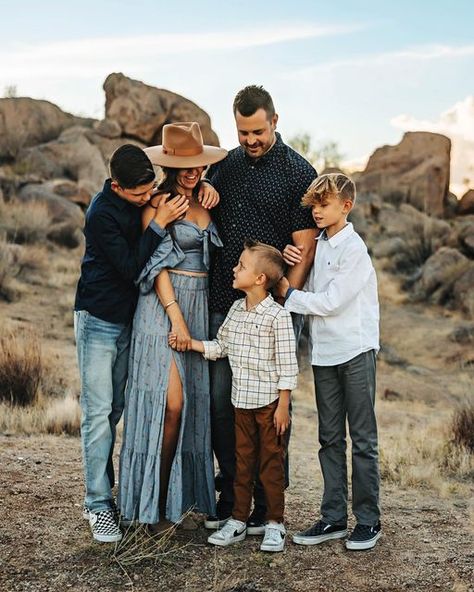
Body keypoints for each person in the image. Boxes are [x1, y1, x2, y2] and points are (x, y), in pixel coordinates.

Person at [205, 85, 317, 531]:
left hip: (272, 313)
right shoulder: (227, 165)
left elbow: (303, 250)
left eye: (256, 130)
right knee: (221, 404)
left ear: (274, 120)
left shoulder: (297, 172)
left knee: (271, 413)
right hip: (222, 303)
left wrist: (282, 301)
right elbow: (205, 201)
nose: (249, 139)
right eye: (242, 131)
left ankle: (268, 507)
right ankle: (234, 492)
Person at [74, 144, 191, 543]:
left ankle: (112, 496)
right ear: (117, 186)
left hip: (128, 323)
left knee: (116, 410)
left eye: (150, 190)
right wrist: (157, 223)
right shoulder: (101, 214)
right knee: (97, 412)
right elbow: (130, 268)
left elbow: (167, 197)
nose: (147, 198)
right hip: (98, 319)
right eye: (139, 194)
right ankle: (97, 504)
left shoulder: (142, 196)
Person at [118, 122, 227, 531]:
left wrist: (211, 195)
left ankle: (173, 503)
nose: (191, 171)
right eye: (182, 165)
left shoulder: (208, 200)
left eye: (197, 165)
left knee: (188, 410)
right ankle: (152, 505)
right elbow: (155, 265)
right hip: (162, 307)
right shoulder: (157, 203)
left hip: (198, 305)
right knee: (170, 404)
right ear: (168, 166)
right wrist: (176, 317)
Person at [170, 240, 298, 552]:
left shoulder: (277, 317)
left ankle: (274, 524)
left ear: (259, 279)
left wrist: (283, 406)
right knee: (242, 464)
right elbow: (221, 347)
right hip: (241, 404)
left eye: (241, 266)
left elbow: (288, 366)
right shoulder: (235, 310)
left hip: (269, 406)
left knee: (270, 465)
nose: (233, 268)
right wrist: (192, 345)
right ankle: (238, 520)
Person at [277, 173, 381, 551]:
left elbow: (332, 301)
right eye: (315, 205)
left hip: (354, 350)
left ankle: (368, 521)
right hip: (323, 355)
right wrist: (292, 260)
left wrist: (289, 294)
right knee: (329, 438)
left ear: (346, 206)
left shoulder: (355, 249)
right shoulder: (316, 245)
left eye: (325, 204)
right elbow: (309, 281)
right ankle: (334, 517)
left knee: (363, 440)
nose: (317, 211)